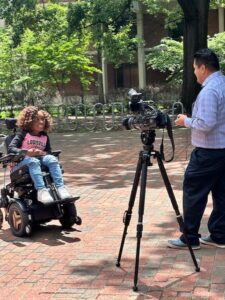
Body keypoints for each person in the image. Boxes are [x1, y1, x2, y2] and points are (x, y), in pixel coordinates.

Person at [168, 48, 225, 250]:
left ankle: (190, 237)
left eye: (194, 68)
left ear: (203, 67)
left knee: (193, 191)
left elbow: (206, 123)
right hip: (222, 150)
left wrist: (186, 121)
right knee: (221, 193)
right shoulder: (222, 83)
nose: (193, 72)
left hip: (208, 152)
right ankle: (219, 234)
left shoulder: (210, 90)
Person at [8, 106, 71, 204]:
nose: (41, 122)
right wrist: (27, 152)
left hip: (39, 160)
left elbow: (48, 151)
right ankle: (42, 191)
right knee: (33, 161)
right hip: (22, 163)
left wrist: (44, 153)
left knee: (52, 159)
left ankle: (61, 188)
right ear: (29, 121)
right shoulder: (23, 134)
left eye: (43, 119)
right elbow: (11, 148)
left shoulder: (44, 136)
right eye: (37, 119)